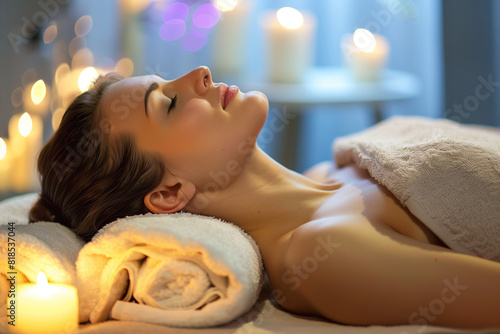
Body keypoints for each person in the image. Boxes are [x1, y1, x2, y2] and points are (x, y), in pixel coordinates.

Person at [30, 66, 500, 329]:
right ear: (170, 193)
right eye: (168, 104)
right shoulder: (321, 254)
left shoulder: (331, 170)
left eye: (167, 79)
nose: (199, 74)